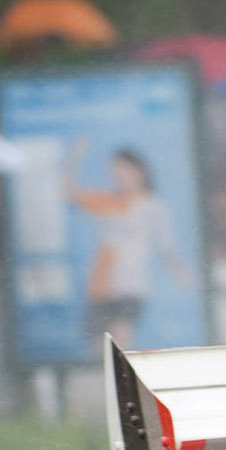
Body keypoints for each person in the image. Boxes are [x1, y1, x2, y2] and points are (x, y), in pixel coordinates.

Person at [70, 146, 191, 347]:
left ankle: (123, 377)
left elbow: (165, 246)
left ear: (139, 171)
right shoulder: (108, 201)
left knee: (120, 340)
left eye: (123, 169)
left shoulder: (152, 206)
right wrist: (76, 155)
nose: (118, 175)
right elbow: (71, 193)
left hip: (130, 286)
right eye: (115, 170)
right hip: (102, 284)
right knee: (98, 347)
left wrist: (180, 272)